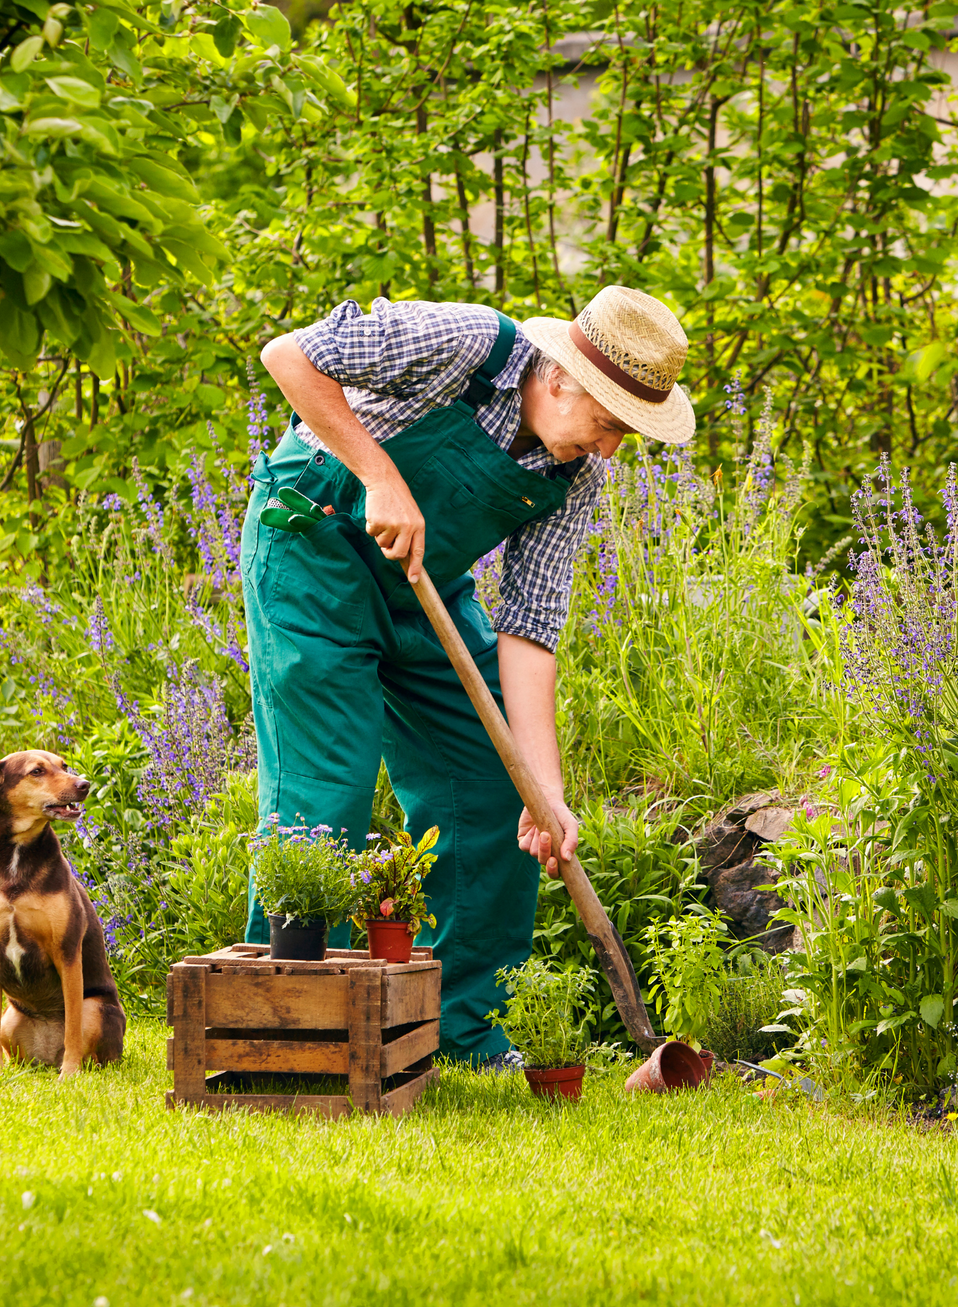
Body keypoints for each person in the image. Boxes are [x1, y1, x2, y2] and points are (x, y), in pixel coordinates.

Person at [243, 284, 694, 1063]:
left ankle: (457, 1026)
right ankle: (287, 1028)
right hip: (312, 553)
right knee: (327, 799)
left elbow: (531, 627)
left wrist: (544, 791)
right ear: (559, 379)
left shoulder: (570, 475)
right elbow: (289, 356)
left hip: (424, 588)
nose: (612, 448)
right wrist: (381, 476)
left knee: (496, 786)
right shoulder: (463, 343)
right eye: (609, 423)